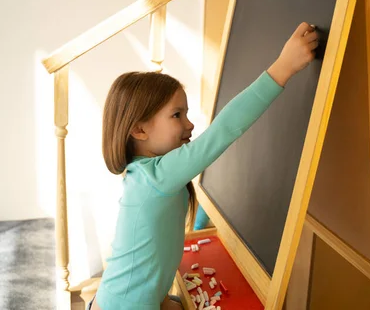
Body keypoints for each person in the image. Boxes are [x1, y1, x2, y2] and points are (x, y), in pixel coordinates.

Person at [90, 22, 320, 310]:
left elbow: (162, 238)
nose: (190, 124)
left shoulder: (151, 176)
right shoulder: (155, 177)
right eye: (177, 115)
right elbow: (224, 130)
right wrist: (282, 68)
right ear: (139, 130)